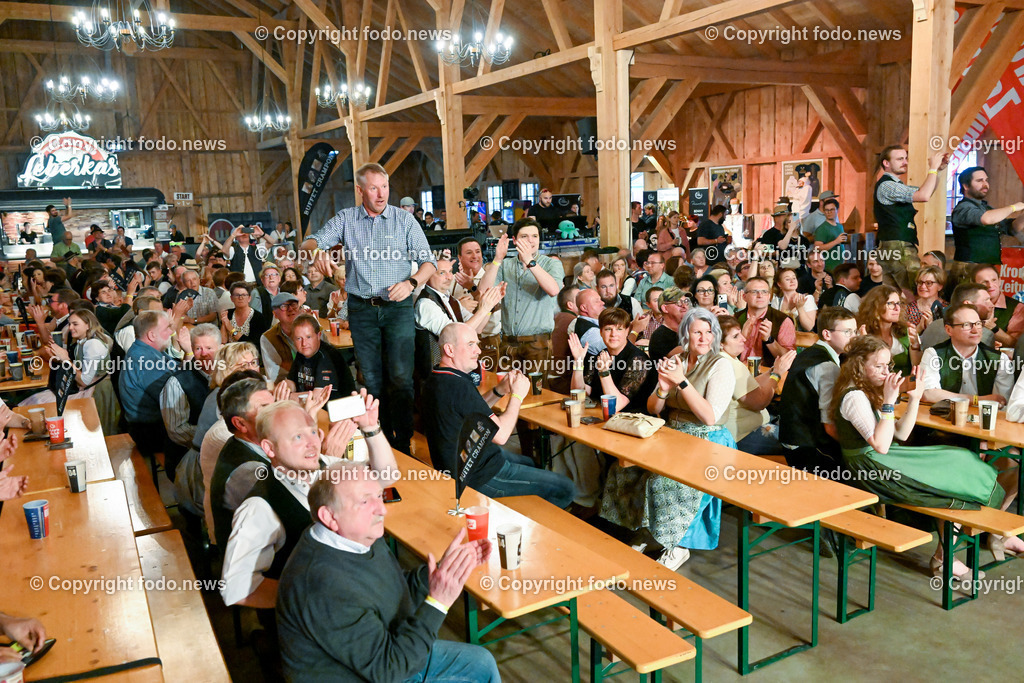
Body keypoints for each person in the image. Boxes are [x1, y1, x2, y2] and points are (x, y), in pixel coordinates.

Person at [277, 462, 499, 682]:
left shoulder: (357, 535)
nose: (381, 509)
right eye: (365, 501)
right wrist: (438, 602)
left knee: (482, 664)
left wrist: (440, 572)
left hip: (388, 650)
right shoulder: (322, 585)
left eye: (379, 495)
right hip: (376, 671)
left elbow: (392, 589)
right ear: (329, 517)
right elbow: (389, 671)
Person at [831, 335, 1003, 579]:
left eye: (887, 366)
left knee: (958, 457)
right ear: (859, 365)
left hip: (882, 458)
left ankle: (950, 555)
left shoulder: (866, 391)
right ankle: (947, 558)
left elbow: (900, 433)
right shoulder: (854, 397)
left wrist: (914, 398)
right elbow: (880, 445)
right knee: (952, 479)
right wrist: (890, 401)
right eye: (878, 366)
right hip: (870, 467)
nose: (885, 372)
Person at [303, 162, 437, 454]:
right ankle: (381, 442)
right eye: (374, 188)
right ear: (360, 190)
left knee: (401, 378)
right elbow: (310, 241)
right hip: (362, 310)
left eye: (385, 187)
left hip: (398, 307)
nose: (381, 194)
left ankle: (403, 445)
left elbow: (429, 262)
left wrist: (412, 283)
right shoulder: (346, 219)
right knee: (372, 379)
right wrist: (317, 252)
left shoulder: (404, 221)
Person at [220, 395, 393, 609]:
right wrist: (312, 598)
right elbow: (235, 589)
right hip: (321, 625)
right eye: (297, 437)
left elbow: (385, 477)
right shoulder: (259, 507)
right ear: (269, 448)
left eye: (313, 431)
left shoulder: (327, 466)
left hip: (365, 592)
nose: (313, 443)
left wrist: (371, 429)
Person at [603, 308, 734, 570]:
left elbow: (709, 416)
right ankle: (644, 529)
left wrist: (682, 382)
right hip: (671, 434)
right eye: (697, 332)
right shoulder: (678, 358)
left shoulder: (720, 364)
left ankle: (678, 544)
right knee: (625, 470)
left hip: (707, 440)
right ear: (686, 333)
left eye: (709, 332)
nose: (703, 338)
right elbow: (654, 409)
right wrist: (662, 389)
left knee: (663, 479)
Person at [422, 323, 576, 507]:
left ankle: (529, 509)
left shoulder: (439, 377)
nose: (478, 350)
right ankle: (538, 526)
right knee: (567, 489)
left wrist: (499, 390)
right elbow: (502, 435)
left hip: (467, 463)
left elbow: (472, 411)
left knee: (530, 462)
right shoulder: (457, 385)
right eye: (471, 344)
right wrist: (517, 395)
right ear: (449, 349)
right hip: (479, 475)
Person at [478, 218, 563, 377]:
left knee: (537, 393)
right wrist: (497, 259)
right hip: (508, 343)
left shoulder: (551, 264)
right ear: (515, 240)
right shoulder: (506, 265)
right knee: (505, 391)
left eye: (535, 236)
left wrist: (530, 261)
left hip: (537, 343)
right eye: (525, 236)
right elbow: (484, 291)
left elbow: (553, 290)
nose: (531, 241)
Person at [779, 306, 858, 472]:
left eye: (855, 331)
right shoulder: (827, 367)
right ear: (827, 334)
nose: (854, 337)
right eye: (847, 332)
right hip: (806, 449)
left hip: (791, 439)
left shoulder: (810, 353)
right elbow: (829, 427)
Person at [873, 145, 950, 291]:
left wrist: (938, 171)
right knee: (916, 290)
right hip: (898, 245)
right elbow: (923, 195)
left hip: (891, 244)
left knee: (894, 295)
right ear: (886, 163)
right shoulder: (887, 186)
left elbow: (925, 191)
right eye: (900, 159)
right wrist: (932, 168)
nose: (905, 162)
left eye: (906, 158)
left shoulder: (894, 185)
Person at [415, 259, 503, 381]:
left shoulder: (451, 300)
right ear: (428, 276)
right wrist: (483, 309)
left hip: (455, 373)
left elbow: (477, 328)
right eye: (442, 273)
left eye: (450, 271)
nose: (449, 277)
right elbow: (456, 335)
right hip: (435, 377)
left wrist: (489, 306)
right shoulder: (425, 304)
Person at [718, 315, 795, 454]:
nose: (743, 338)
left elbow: (750, 386)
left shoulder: (721, 359)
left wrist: (773, 370)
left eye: (741, 333)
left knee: (792, 423)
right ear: (720, 343)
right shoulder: (730, 365)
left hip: (744, 428)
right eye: (736, 336)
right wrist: (776, 375)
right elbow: (760, 402)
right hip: (742, 436)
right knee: (796, 440)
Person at [159, 323, 221, 482]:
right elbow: (176, 430)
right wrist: (218, 435)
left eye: (209, 348)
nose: (204, 354)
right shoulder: (177, 382)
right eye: (198, 349)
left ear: (220, 348)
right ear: (192, 349)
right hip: (188, 460)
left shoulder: (227, 374)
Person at [919, 303, 1014, 407]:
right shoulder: (934, 354)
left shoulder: (1000, 360)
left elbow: (1001, 402)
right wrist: (976, 400)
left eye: (978, 324)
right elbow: (928, 394)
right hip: (940, 418)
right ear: (949, 330)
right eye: (967, 325)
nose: (975, 330)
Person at [119, 310, 183, 461]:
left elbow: (177, 368)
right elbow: (175, 395)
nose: (171, 331)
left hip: (149, 426)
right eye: (167, 328)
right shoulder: (145, 360)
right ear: (152, 335)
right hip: (150, 432)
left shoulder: (145, 350)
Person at [568, 307, 657, 414]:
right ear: (601, 332)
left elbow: (615, 406)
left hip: (630, 421)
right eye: (608, 329)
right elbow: (580, 394)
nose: (613, 334)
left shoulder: (639, 361)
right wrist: (578, 362)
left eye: (619, 329)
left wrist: (604, 372)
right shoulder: (601, 354)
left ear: (627, 331)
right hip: (600, 416)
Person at [949, 166, 1024, 284]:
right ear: (966, 186)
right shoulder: (963, 208)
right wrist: (1013, 207)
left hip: (987, 268)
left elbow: (1012, 228)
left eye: (986, 180)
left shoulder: (987, 209)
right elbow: (987, 219)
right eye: (979, 181)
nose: (985, 184)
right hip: (968, 269)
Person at [26, 309, 112, 404]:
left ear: (88, 325)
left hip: (96, 393)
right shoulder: (83, 341)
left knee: (36, 402)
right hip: (85, 389)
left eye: (75, 324)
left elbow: (84, 381)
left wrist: (65, 359)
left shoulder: (93, 344)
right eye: (70, 324)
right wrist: (58, 358)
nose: (70, 327)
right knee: (35, 399)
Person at [451, 237, 502, 371]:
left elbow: (491, 305)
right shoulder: (453, 281)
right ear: (459, 257)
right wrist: (458, 306)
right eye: (469, 252)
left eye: (478, 252)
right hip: (461, 344)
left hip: (487, 343)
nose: (475, 256)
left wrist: (472, 288)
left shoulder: (491, 277)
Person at [286, 314, 355, 399]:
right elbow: (291, 381)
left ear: (318, 336)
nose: (304, 343)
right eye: (299, 338)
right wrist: (285, 389)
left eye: (308, 337)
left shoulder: (327, 356)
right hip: (313, 407)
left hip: (336, 408)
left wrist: (289, 396)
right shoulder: (302, 353)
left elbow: (318, 397)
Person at [857, 285, 920, 376]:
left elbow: (917, 367)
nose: (897, 308)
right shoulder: (863, 333)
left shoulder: (906, 332)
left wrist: (915, 346)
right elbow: (860, 372)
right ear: (876, 307)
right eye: (890, 304)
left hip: (905, 387)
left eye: (898, 303)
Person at [735, 276, 796, 368]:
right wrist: (742, 337)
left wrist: (769, 340)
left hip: (769, 373)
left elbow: (789, 359)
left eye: (764, 292)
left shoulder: (783, 320)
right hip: (738, 369)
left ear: (769, 296)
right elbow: (725, 354)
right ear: (744, 297)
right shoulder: (735, 318)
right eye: (754, 292)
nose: (760, 295)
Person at [920, 282, 996, 351]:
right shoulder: (983, 336)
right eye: (986, 301)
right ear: (968, 304)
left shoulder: (933, 326)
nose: (992, 305)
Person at [973, 264, 1024, 347]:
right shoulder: (969, 305)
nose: (990, 285)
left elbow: (1016, 345)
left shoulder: (1017, 308)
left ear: (1000, 281)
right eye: (984, 282)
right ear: (974, 284)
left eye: (994, 280)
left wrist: (993, 328)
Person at [261, 292, 303, 384]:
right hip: (286, 386)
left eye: (294, 305)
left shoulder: (313, 329)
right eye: (284, 306)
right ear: (275, 314)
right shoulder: (268, 338)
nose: (291, 309)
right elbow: (273, 375)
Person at [220, 282, 270, 352]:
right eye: (237, 295)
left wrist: (230, 328)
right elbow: (223, 342)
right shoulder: (228, 313)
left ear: (249, 298)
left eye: (244, 295)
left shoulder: (258, 317)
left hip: (249, 354)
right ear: (231, 298)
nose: (240, 298)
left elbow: (251, 344)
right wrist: (224, 323)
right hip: (230, 353)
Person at [647, 287, 688, 361]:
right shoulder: (660, 337)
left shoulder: (688, 330)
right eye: (678, 303)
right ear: (665, 308)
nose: (684, 306)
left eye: (686, 301)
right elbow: (689, 354)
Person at [772, 267, 817, 332]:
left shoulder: (807, 298)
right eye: (787, 279)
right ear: (779, 284)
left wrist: (800, 308)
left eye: (794, 278)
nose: (792, 281)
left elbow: (809, 327)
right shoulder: (776, 301)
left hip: (802, 339)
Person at [904, 266, 946, 333]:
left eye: (928, 283)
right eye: (920, 282)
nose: (923, 286)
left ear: (940, 286)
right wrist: (920, 327)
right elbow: (905, 339)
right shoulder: (908, 309)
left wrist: (932, 326)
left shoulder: (948, 309)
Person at [813, 197, 847, 271]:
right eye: (826, 210)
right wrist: (836, 241)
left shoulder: (840, 226)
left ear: (837, 210)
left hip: (840, 266)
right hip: (829, 268)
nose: (829, 212)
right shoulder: (822, 228)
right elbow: (817, 248)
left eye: (832, 209)